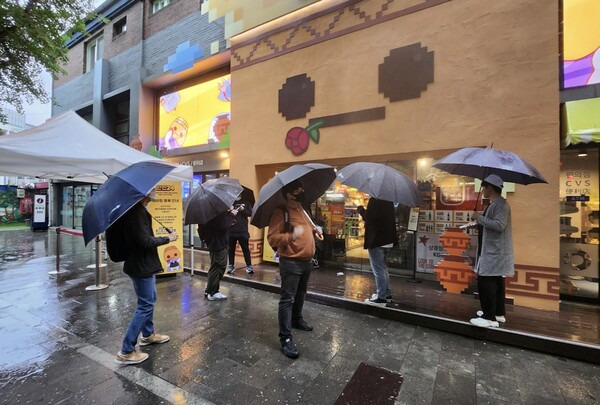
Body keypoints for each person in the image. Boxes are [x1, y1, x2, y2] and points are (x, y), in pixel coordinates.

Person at [115, 190, 178, 365]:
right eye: (152, 189)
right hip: (140, 265)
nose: (155, 190)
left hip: (143, 264)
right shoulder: (135, 213)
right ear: (143, 193)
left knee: (150, 299)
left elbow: (144, 238)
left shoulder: (139, 210)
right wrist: (168, 238)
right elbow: (144, 242)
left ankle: (148, 334)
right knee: (145, 304)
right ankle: (126, 350)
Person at [268, 180, 322, 359]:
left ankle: (297, 319)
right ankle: (285, 338)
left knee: (301, 294)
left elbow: (309, 229)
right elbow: (273, 239)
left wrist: (315, 231)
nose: (301, 192)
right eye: (297, 190)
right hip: (291, 262)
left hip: (307, 261)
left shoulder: (302, 209)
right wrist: (292, 235)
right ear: (289, 193)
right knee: (287, 300)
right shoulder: (281, 212)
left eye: (302, 188)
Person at [469, 174, 514, 328]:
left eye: (484, 187)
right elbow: (492, 224)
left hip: (494, 252)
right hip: (493, 251)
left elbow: (499, 225)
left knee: (486, 282)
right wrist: (478, 223)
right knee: (497, 282)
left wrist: (479, 218)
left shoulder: (500, 205)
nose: (482, 191)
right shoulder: (496, 204)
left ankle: (489, 317)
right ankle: (497, 313)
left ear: (490, 188)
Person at [357, 197, 397, 305]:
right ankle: (386, 294)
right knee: (383, 268)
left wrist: (361, 210)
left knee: (378, 270)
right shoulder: (389, 201)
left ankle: (381, 296)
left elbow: (370, 219)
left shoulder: (374, 200)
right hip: (388, 239)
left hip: (377, 240)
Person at [199, 206, 239, 301]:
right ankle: (213, 292)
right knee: (218, 266)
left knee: (216, 266)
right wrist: (231, 214)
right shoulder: (215, 212)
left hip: (214, 242)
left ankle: (210, 289)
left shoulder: (206, 211)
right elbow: (222, 226)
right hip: (218, 243)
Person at [227, 197, 254, 274]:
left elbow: (250, 213)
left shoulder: (247, 202)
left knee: (245, 249)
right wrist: (230, 210)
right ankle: (231, 265)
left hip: (243, 231)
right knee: (231, 249)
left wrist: (243, 210)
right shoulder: (230, 202)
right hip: (231, 230)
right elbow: (225, 214)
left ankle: (249, 266)